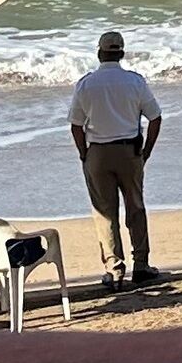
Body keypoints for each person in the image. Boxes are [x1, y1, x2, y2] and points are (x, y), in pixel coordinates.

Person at [68, 30, 164, 290]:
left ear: (100, 53)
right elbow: (155, 118)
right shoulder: (135, 82)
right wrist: (146, 153)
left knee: (104, 212)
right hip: (129, 150)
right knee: (136, 207)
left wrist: (84, 154)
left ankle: (114, 267)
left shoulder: (86, 84)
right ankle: (141, 265)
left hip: (98, 151)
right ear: (121, 53)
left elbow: (76, 125)